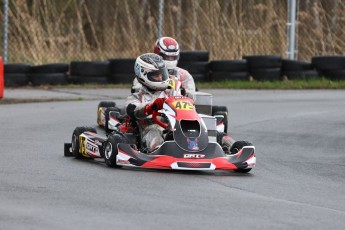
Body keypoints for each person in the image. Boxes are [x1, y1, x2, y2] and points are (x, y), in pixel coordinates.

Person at [126, 53, 173, 152]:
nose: (161, 78)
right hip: (149, 130)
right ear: (143, 75)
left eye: (162, 74)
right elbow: (133, 111)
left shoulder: (171, 92)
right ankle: (160, 151)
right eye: (156, 75)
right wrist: (150, 107)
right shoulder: (136, 96)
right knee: (154, 132)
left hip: (173, 128)